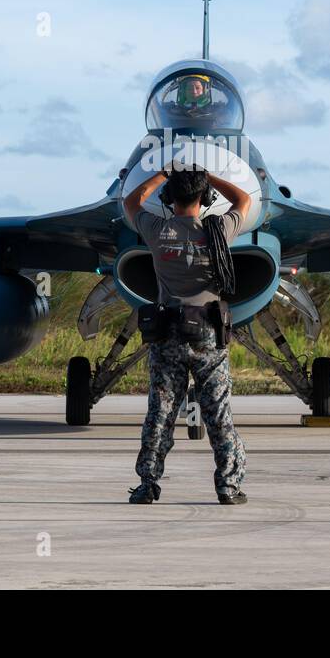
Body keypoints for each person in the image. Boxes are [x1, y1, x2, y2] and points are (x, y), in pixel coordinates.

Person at [122, 164, 252, 504]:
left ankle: (147, 486)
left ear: (168, 198)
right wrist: (211, 179)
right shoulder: (220, 230)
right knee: (218, 413)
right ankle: (228, 486)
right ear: (206, 198)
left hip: (167, 334)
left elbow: (132, 202)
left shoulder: (156, 230)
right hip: (208, 334)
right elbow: (242, 199)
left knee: (161, 412)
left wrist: (161, 176)